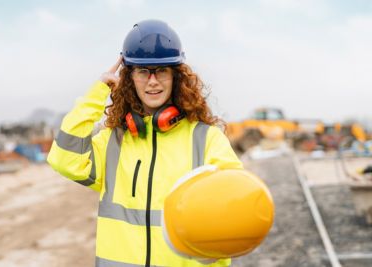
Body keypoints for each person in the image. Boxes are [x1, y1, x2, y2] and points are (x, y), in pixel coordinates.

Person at [47, 19, 243, 267]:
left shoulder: (205, 139)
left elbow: (236, 205)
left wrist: (219, 248)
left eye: (161, 70)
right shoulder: (114, 141)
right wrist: (98, 92)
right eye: (143, 71)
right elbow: (64, 159)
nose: (152, 81)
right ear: (130, 78)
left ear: (176, 77)